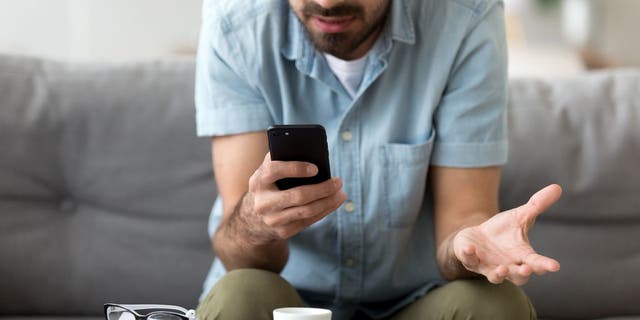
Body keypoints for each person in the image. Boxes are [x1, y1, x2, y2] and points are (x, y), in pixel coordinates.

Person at [194, 0, 562, 319]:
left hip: (417, 301)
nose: (326, 4)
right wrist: (255, 224)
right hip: (291, 301)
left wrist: (470, 244)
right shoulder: (235, 24)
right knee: (240, 294)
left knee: (496, 305)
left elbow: (464, 215)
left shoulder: (465, 17)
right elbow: (235, 248)